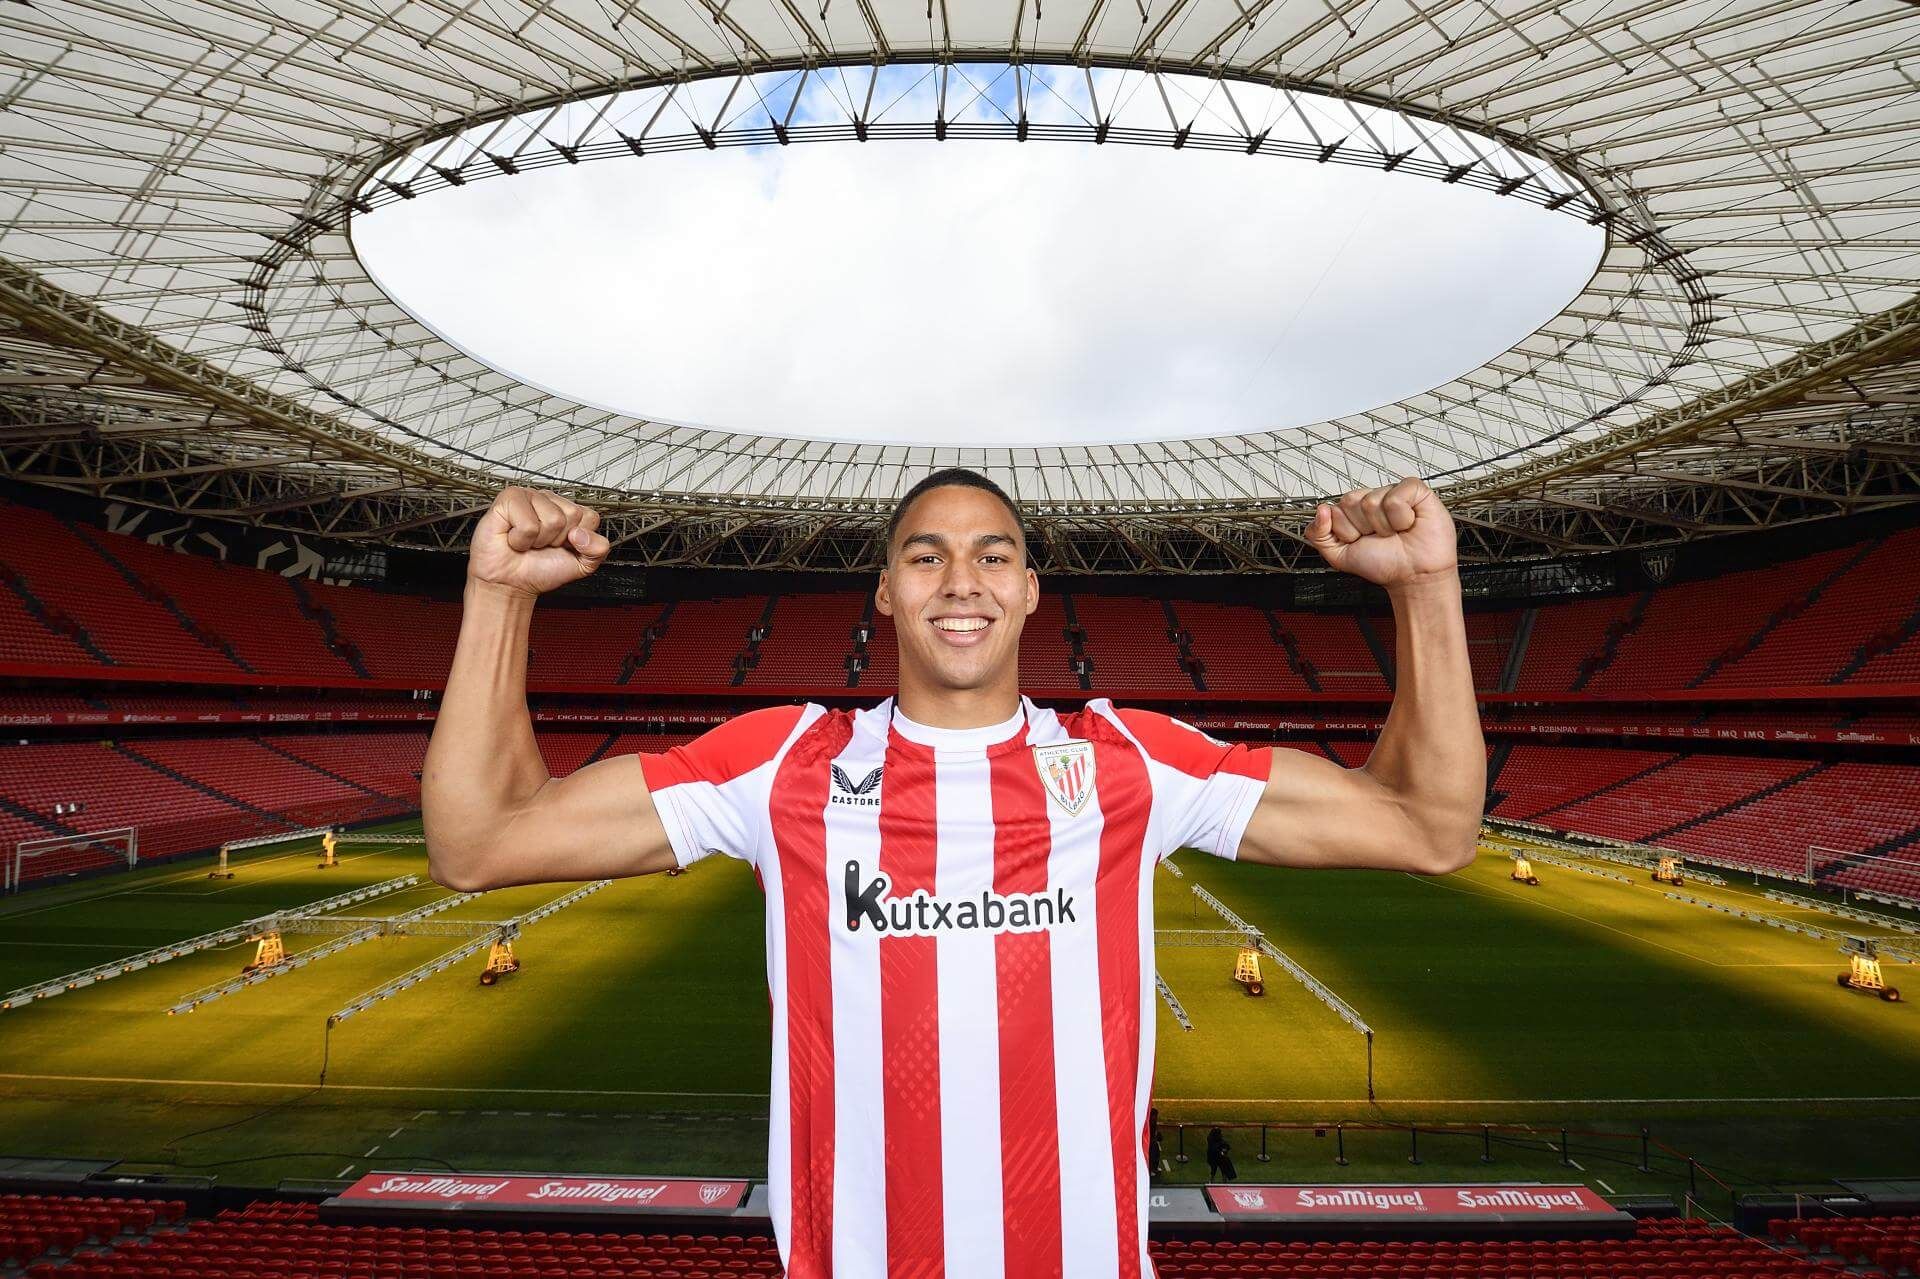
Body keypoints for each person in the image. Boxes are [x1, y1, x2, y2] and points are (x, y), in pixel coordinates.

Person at [423, 469, 1485, 1279]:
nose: (962, 580)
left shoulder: (1128, 762)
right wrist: (500, 594)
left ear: (1030, 590)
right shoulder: (782, 764)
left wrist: (1427, 586)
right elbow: (481, 843)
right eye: (926, 557)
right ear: (886, 592)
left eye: (992, 555)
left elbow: (1430, 826)